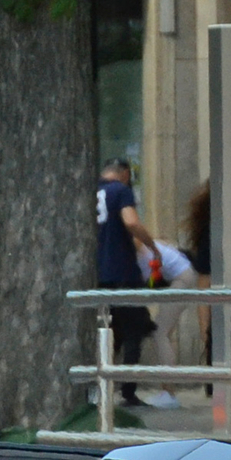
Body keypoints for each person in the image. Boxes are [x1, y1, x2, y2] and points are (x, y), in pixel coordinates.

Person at [94, 157, 161, 407]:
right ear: (123, 174)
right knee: (134, 330)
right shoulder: (120, 191)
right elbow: (131, 221)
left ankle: (100, 385)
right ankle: (128, 391)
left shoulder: (93, 192)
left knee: (108, 333)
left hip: (98, 275)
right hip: (122, 271)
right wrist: (151, 245)